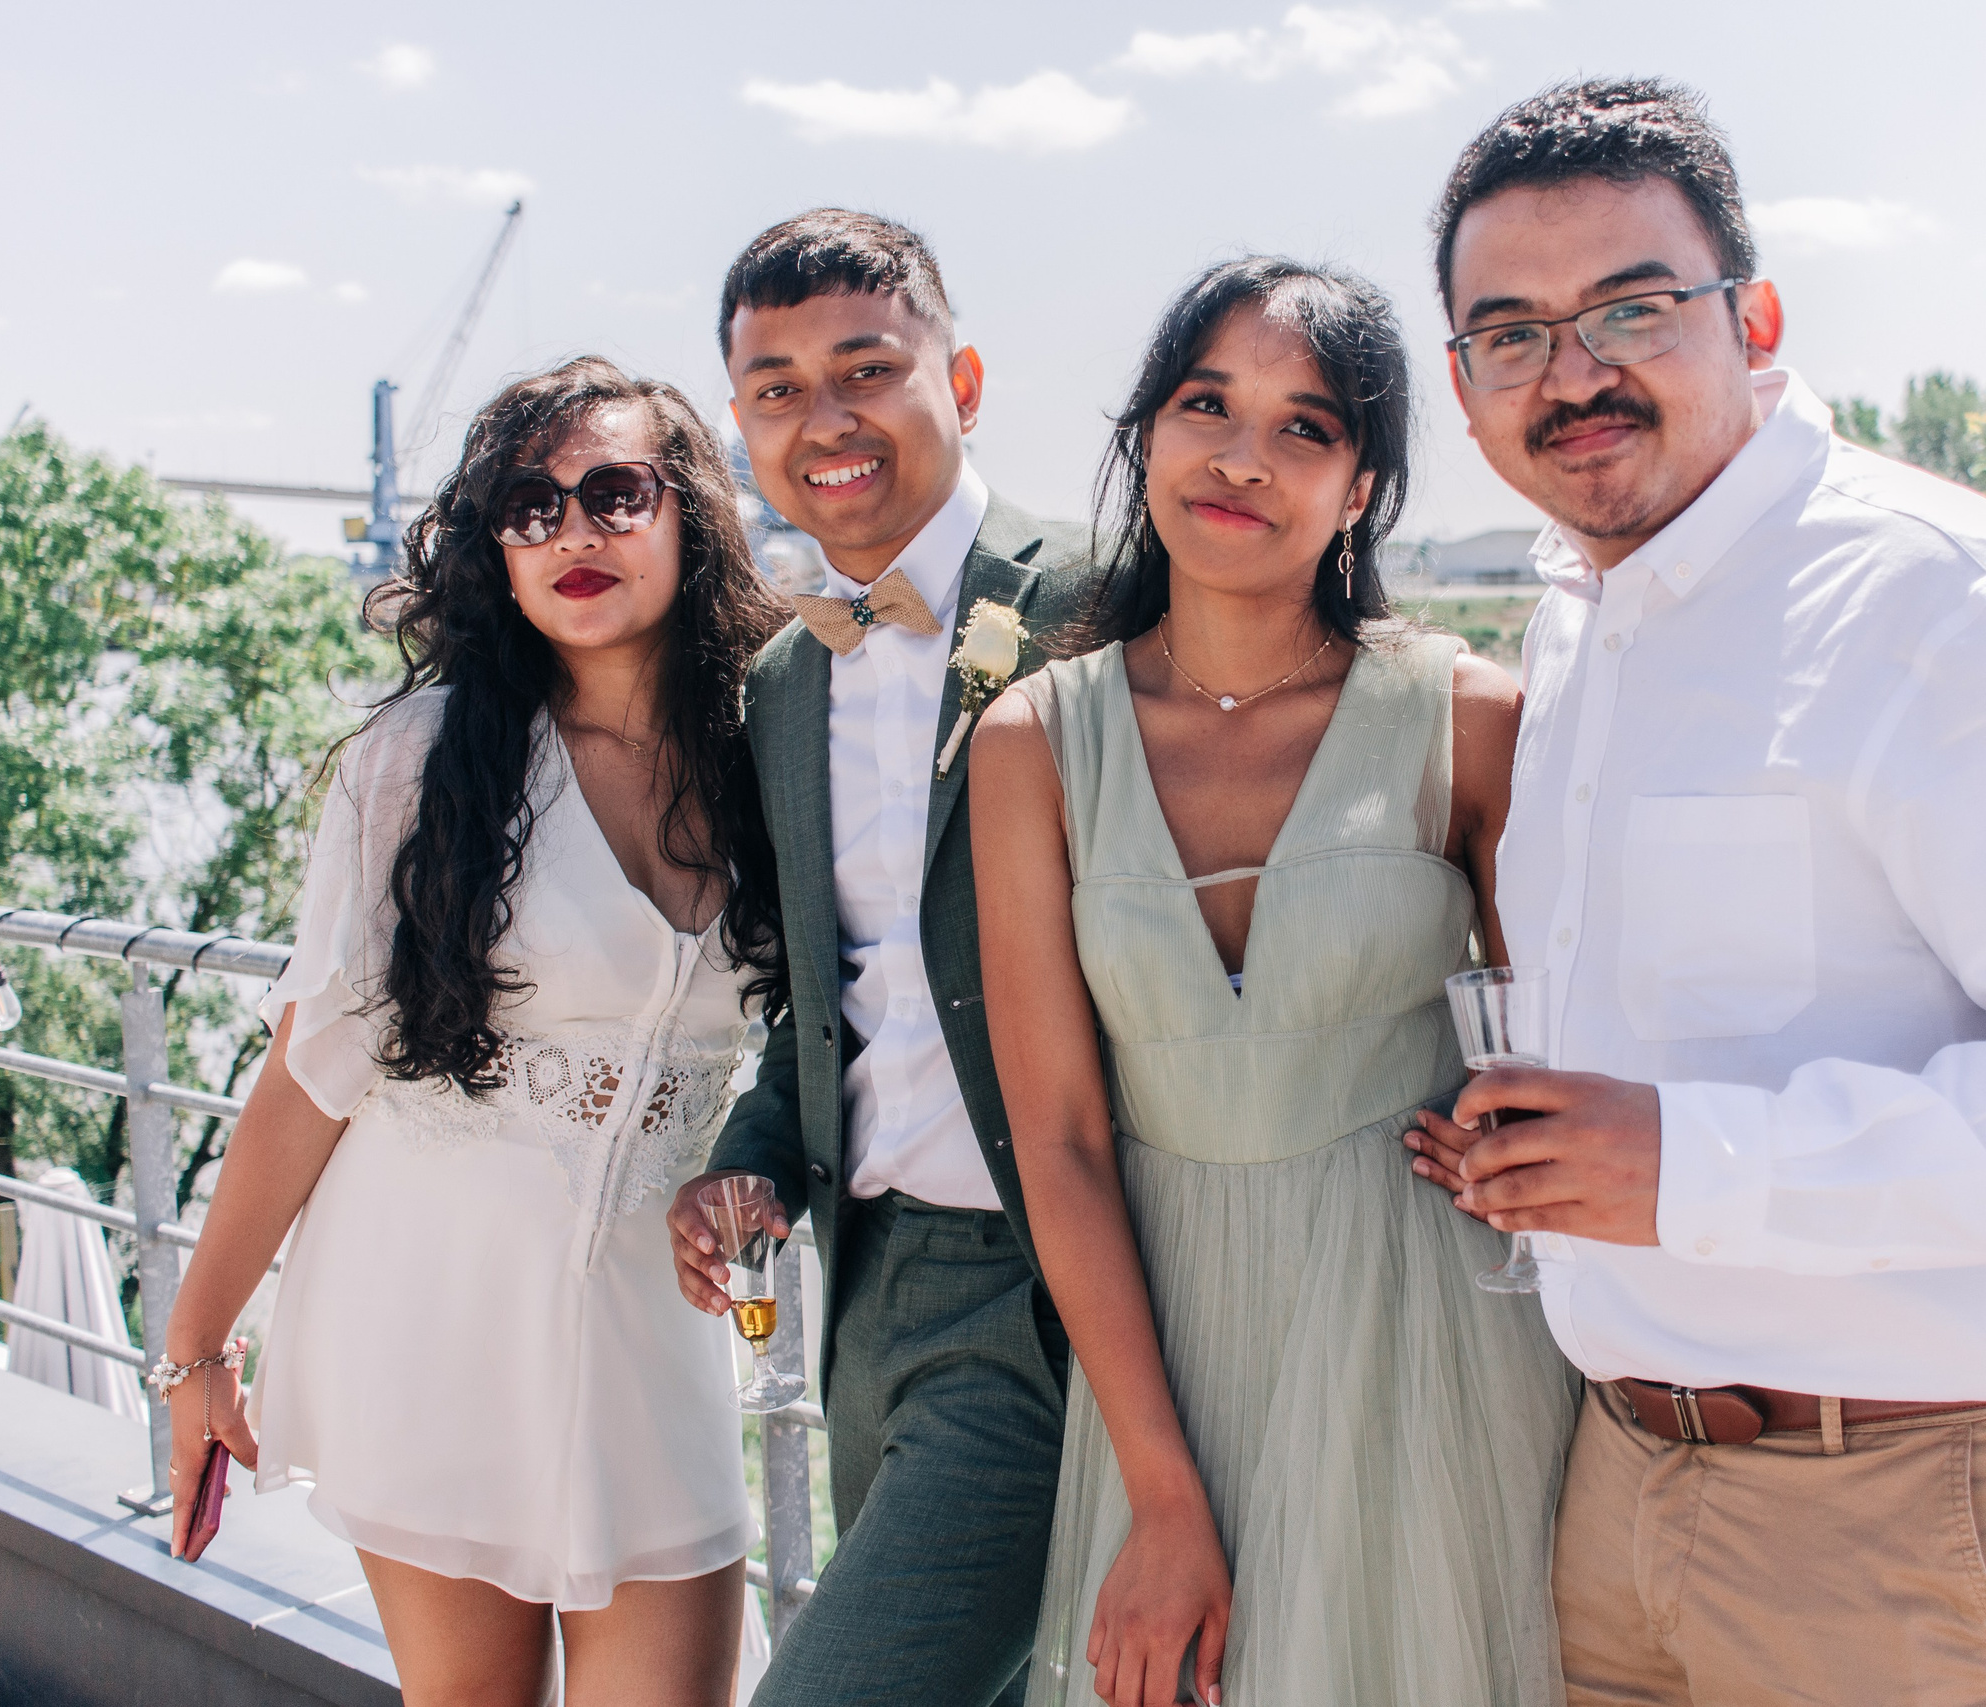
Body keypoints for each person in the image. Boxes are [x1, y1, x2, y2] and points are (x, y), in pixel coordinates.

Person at [1400, 79, 1986, 1705]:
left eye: (1629, 307)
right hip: (1620, 1481)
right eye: (1511, 332)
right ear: (1462, 384)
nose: (1573, 370)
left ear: (1754, 316)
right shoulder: (1581, 621)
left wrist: (1693, 1165)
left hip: (1919, 1504)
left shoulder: (1945, 602)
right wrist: (1540, 1163)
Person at [973, 257, 1579, 1707]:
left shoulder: (1470, 718)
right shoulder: (1036, 742)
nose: (1241, 458)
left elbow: (1579, 1042)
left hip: (1435, 1345)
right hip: (1163, 1361)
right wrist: (1163, 1497)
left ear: (1364, 485)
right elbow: (1056, 1136)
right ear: (1146, 436)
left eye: (1305, 428)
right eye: (1205, 406)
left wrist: (1517, 1141)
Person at [160, 357, 788, 1706]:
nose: (572, 532)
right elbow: (311, 1069)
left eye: (615, 493)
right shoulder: (423, 761)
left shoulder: (768, 756)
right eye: (529, 504)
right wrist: (197, 1347)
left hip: (653, 1339)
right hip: (429, 1314)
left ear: (690, 513)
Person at [663, 210, 1093, 1707]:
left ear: (960, 379)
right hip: (869, 1291)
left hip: (1056, 1296)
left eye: (866, 368)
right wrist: (754, 1157)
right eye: (775, 389)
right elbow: (827, 1001)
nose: (822, 420)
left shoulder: (1105, 610)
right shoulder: (786, 676)